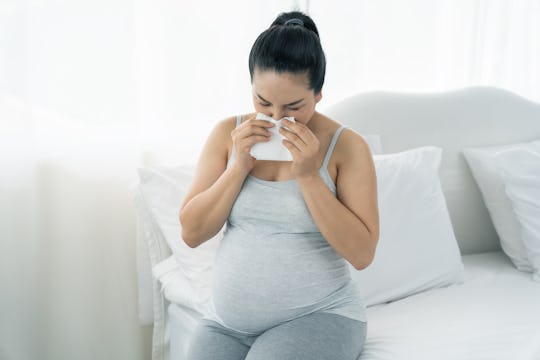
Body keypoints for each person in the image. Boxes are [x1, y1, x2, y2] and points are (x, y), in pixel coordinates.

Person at [179, 10, 379, 360]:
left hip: (320, 315)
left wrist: (308, 176)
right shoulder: (227, 134)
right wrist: (237, 168)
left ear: (318, 94)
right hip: (227, 323)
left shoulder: (347, 147)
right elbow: (192, 232)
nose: (275, 118)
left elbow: (362, 254)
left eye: (293, 106)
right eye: (262, 101)